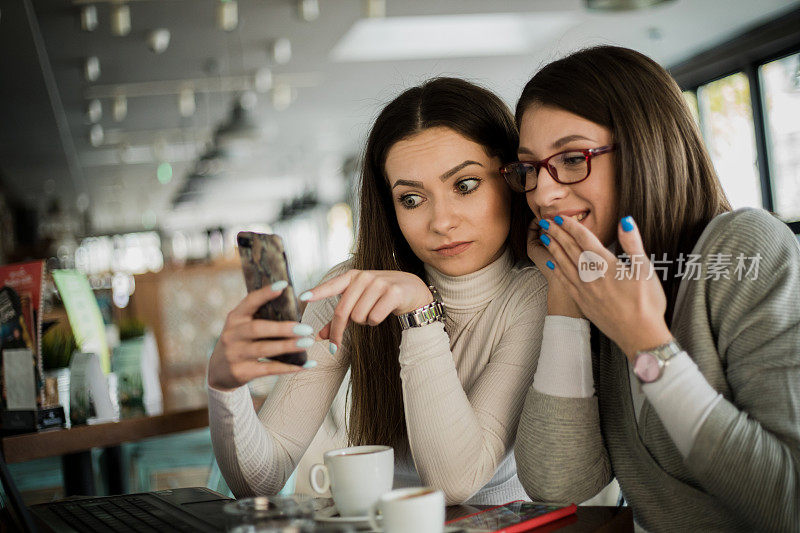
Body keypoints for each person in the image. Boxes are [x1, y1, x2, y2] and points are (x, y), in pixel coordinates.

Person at [207, 77, 548, 505]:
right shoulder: (351, 290)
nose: (441, 221)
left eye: (464, 185)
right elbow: (260, 479)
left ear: (511, 180)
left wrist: (420, 314)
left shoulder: (536, 293)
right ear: (389, 207)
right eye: (411, 199)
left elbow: (457, 482)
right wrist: (224, 387)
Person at [507, 45, 800, 532]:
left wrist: (645, 343)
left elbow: (789, 504)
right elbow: (558, 484)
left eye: (573, 158)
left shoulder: (744, 250)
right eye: (530, 168)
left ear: (645, 148)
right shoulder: (599, 283)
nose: (542, 192)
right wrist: (565, 289)